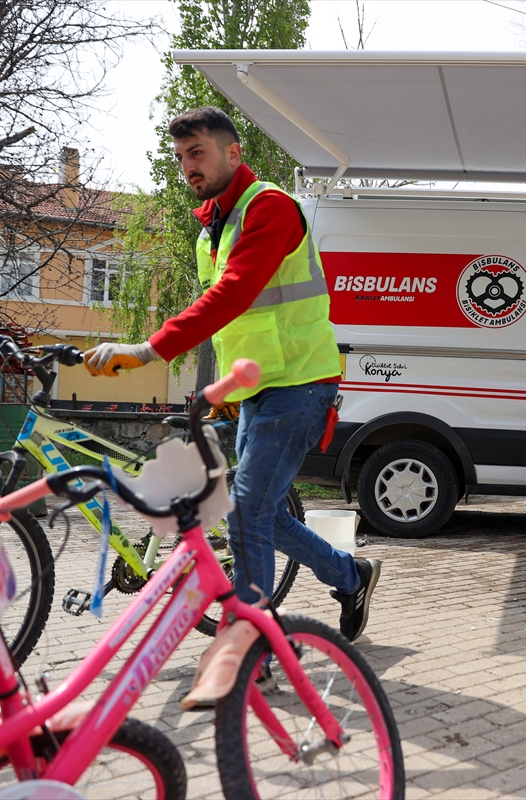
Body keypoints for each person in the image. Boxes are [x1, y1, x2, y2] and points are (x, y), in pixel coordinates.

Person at [83, 107, 381, 648]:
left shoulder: (268, 207)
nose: (187, 167)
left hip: (300, 383)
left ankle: (251, 651)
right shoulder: (211, 230)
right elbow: (235, 324)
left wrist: (149, 350)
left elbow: (232, 296)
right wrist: (223, 391)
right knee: (259, 511)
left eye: (197, 153)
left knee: (247, 511)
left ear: (232, 153)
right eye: (180, 158)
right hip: (258, 393)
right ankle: (349, 576)